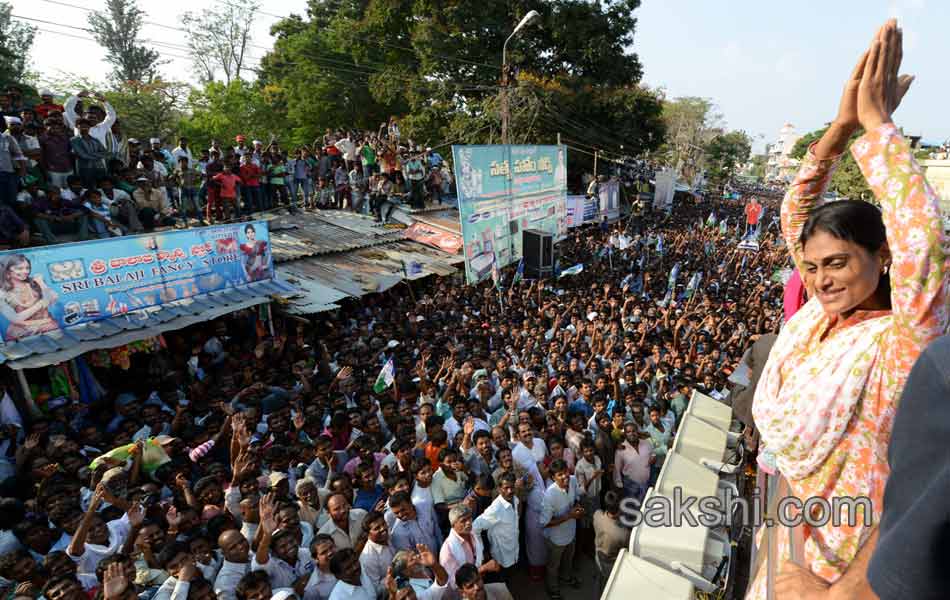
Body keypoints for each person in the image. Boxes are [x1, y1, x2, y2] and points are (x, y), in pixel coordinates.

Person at [748, 20, 947, 599]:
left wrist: (880, 131)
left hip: (850, 568)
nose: (819, 280)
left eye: (836, 262)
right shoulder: (816, 318)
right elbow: (795, 216)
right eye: (809, 268)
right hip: (789, 543)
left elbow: (926, 244)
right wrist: (837, 130)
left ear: (882, 256)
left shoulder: (901, 340)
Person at [538, 459, 581, 599]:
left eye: (566, 472)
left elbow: (576, 498)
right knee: (553, 566)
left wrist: (577, 506)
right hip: (556, 539)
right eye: (560, 475)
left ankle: (566, 578)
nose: (565, 477)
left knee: (569, 559)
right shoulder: (549, 496)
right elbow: (544, 523)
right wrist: (569, 516)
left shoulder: (573, 480)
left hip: (571, 533)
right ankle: (553, 589)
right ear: (552, 478)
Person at [438, 506, 500, 597]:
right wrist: (483, 568)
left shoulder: (472, 533)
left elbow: (479, 555)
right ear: (453, 525)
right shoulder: (447, 551)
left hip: (478, 585)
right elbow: (454, 582)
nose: (468, 523)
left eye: (470, 518)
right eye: (463, 521)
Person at [0, 253, 60, 340]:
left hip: (49, 328)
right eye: (19, 268)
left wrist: (42, 283)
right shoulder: (2, 292)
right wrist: (42, 303)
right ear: (7, 270)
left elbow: (53, 299)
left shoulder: (34, 283)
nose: (25, 271)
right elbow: (16, 319)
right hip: (22, 334)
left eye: (27, 268)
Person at [470, 472, 519, 580]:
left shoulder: (515, 500)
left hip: (512, 552)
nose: (510, 491)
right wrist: (481, 552)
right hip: (500, 558)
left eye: (512, 487)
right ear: (499, 489)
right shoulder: (496, 508)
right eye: (506, 488)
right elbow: (474, 528)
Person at [592, 491, 629, 592]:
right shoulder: (623, 533)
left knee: (599, 575)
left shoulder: (597, 515)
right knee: (607, 587)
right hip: (611, 563)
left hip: (598, 554)